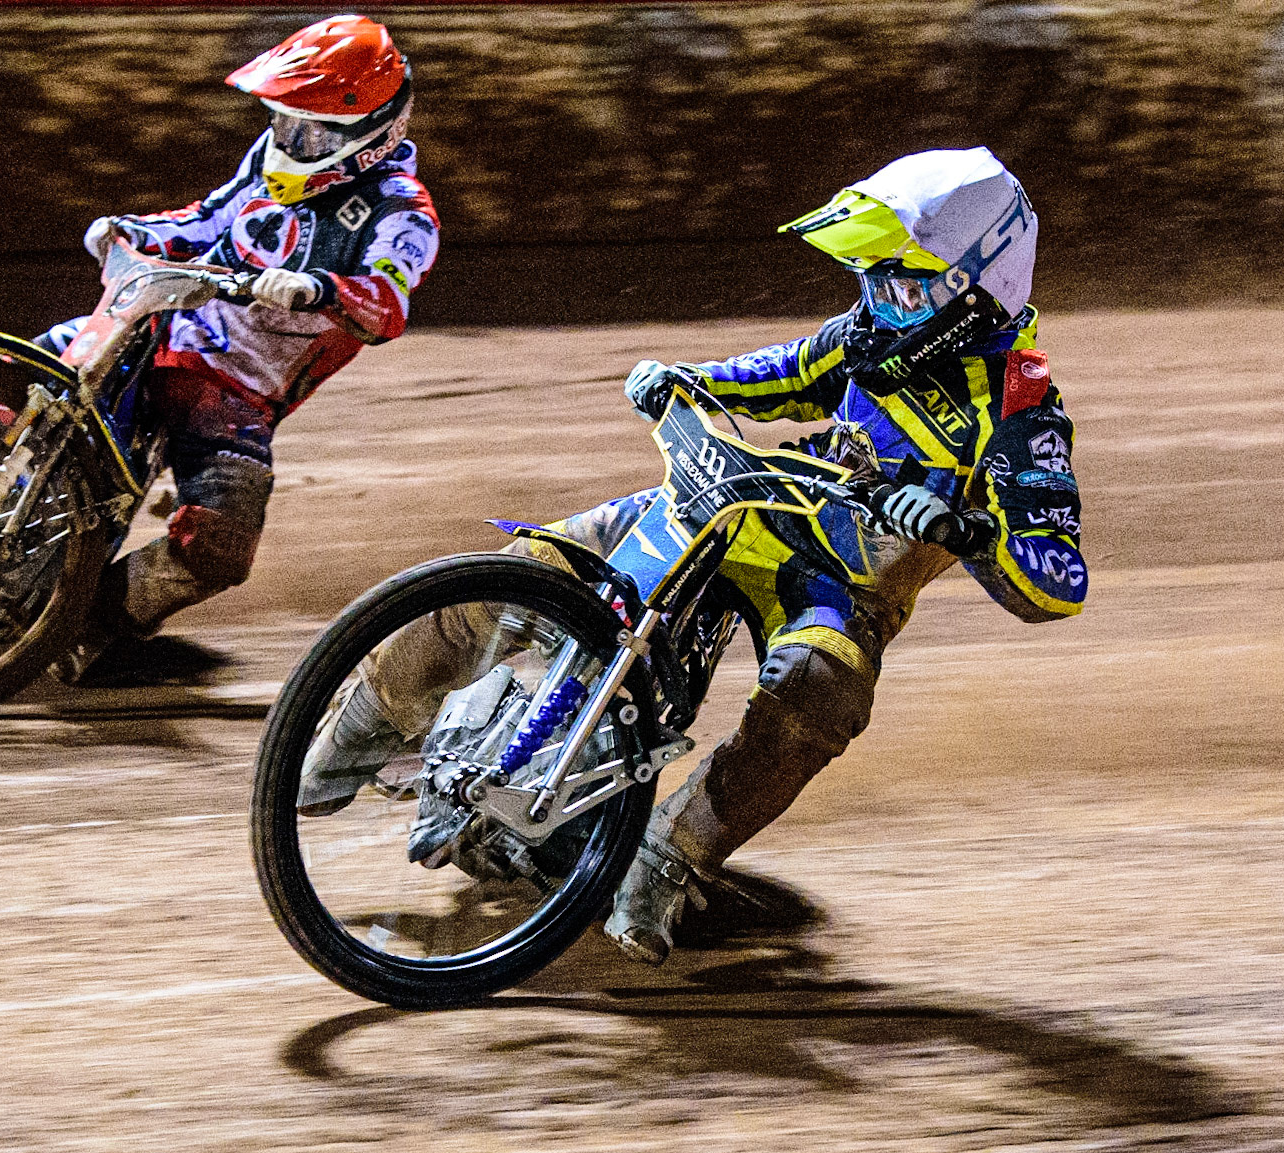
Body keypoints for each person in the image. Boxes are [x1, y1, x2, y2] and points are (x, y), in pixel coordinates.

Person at [298, 146, 1087, 966]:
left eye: (909, 283)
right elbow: (783, 373)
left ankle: (671, 860)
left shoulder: (1023, 413)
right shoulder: (867, 335)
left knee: (820, 685)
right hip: (741, 499)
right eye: (877, 278)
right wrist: (688, 379)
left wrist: (968, 527)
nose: (885, 301)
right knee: (538, 566)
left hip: (835, 581)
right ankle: (359, 723)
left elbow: (1057, 581)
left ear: (979, 286)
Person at [0, 14, 440, 686]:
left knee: (221, 543)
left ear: (363, 135)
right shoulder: (267, 159)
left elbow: (386, 301)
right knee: (3, 384)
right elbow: (206, 219)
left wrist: (316, 288)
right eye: (283, 120)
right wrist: (132, 230)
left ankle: (90, 618)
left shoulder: (401, 214)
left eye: (306, 127)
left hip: (233, 393)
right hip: (156, 325)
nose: (287, 137)